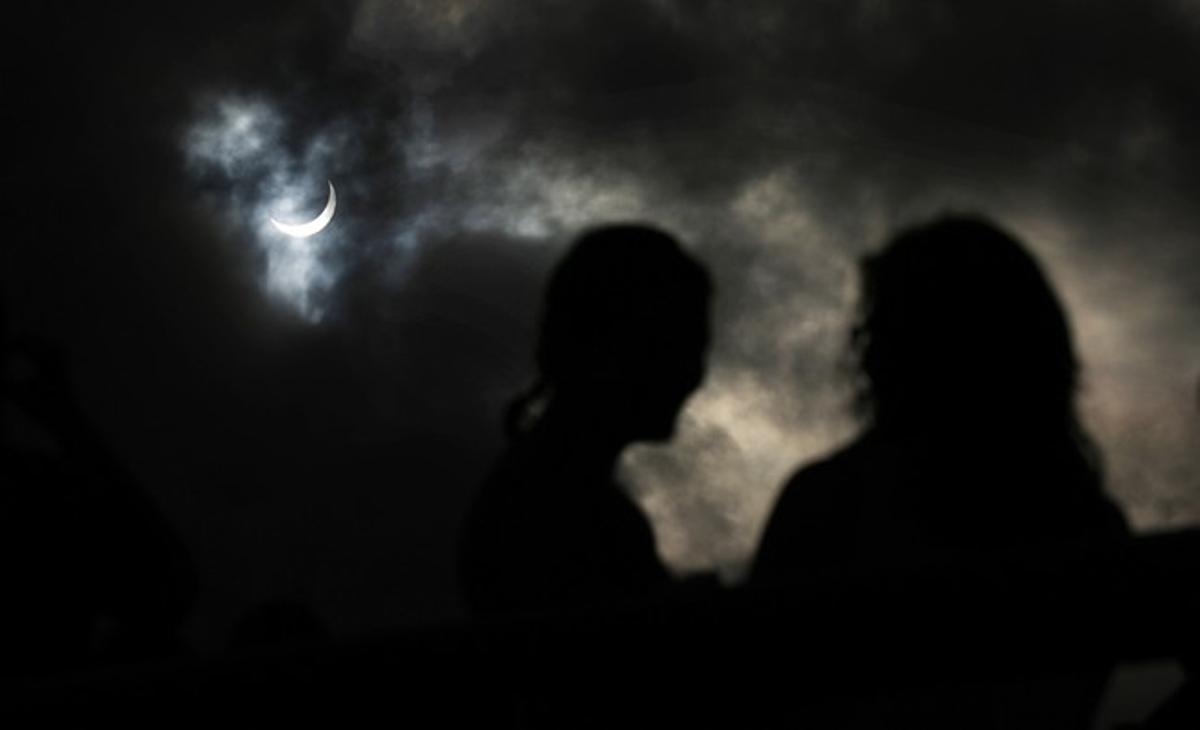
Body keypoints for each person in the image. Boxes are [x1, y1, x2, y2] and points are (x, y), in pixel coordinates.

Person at [750, 215, 1130, 728]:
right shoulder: (1089, 525)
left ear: (892, 347)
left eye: (877, 323)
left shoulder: (830, 500)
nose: (864, 346)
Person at [458, 224, 712, 616]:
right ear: (608, 348)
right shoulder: (550, 515)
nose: (693, 374)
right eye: (675, 346)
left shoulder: (548, 491)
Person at [2, 299, 195, 678]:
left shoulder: (34, 484)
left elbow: (170, 588)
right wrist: (69, 424)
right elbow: (169, 587)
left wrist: (68, 424)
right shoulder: (33, 490)